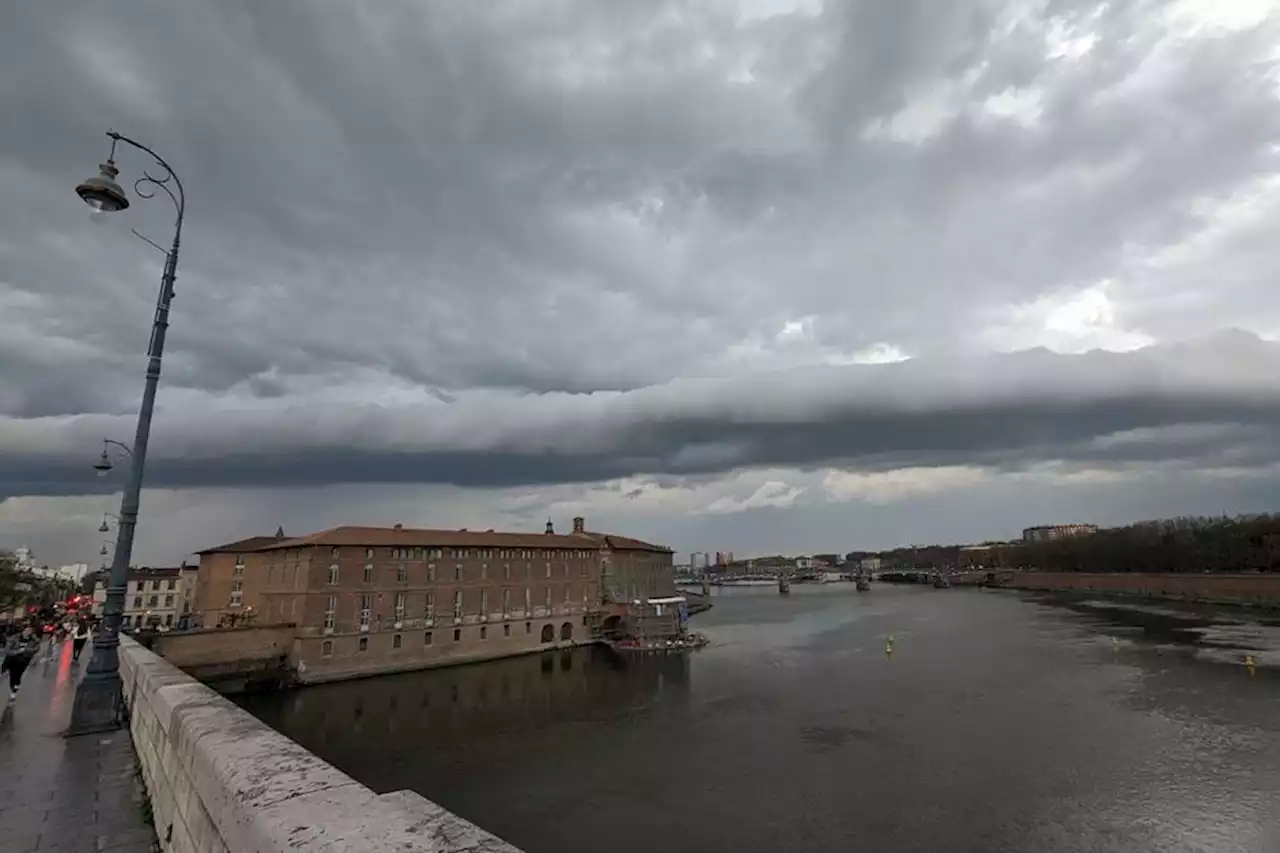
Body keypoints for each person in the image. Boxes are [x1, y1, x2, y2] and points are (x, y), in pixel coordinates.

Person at [2, 623, 42, 701]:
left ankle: (14, 691)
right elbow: (7, 650)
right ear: (22, 631)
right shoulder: (15, 638)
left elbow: (37, 649)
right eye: (26, 630)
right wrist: (17, 651)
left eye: (29, 630)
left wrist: (27, 649)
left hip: (24, 660)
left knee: (18, 675)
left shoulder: (34, 640)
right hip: (13, 658)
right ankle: (13, 687)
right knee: (11, 675)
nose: (27, 632)